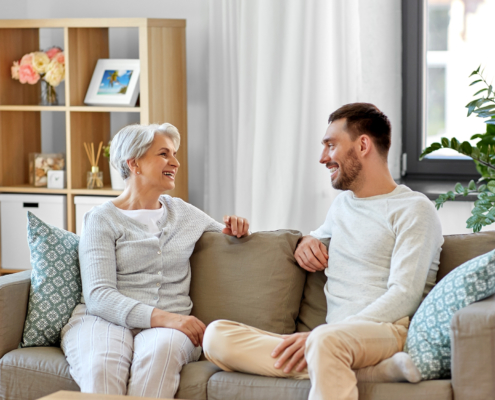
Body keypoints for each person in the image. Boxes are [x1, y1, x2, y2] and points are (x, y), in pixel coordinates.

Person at [202, 103, 443, 400]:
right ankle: (371, 369)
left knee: (326, 342)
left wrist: (325, 336)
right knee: (216, 337)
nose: (322, 157)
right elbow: (319, 234)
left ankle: (335, 354)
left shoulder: (415, 209)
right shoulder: (342, 206)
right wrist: (306, 241)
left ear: (363, 144)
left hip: (386, 331)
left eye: (331, 145)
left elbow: (405, 295)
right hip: (333, 340)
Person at [60, 123, 249, 398]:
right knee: (102, 368)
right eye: (164, 154)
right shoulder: (101, 219)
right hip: (104, 319)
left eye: (173, 154)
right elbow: (99, 296)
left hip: (171, 328)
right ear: (134, 163)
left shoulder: (183, 213)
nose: (176, 162)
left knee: (157, 364)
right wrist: (168, 319)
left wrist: (239, 226)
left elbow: (227, 234)